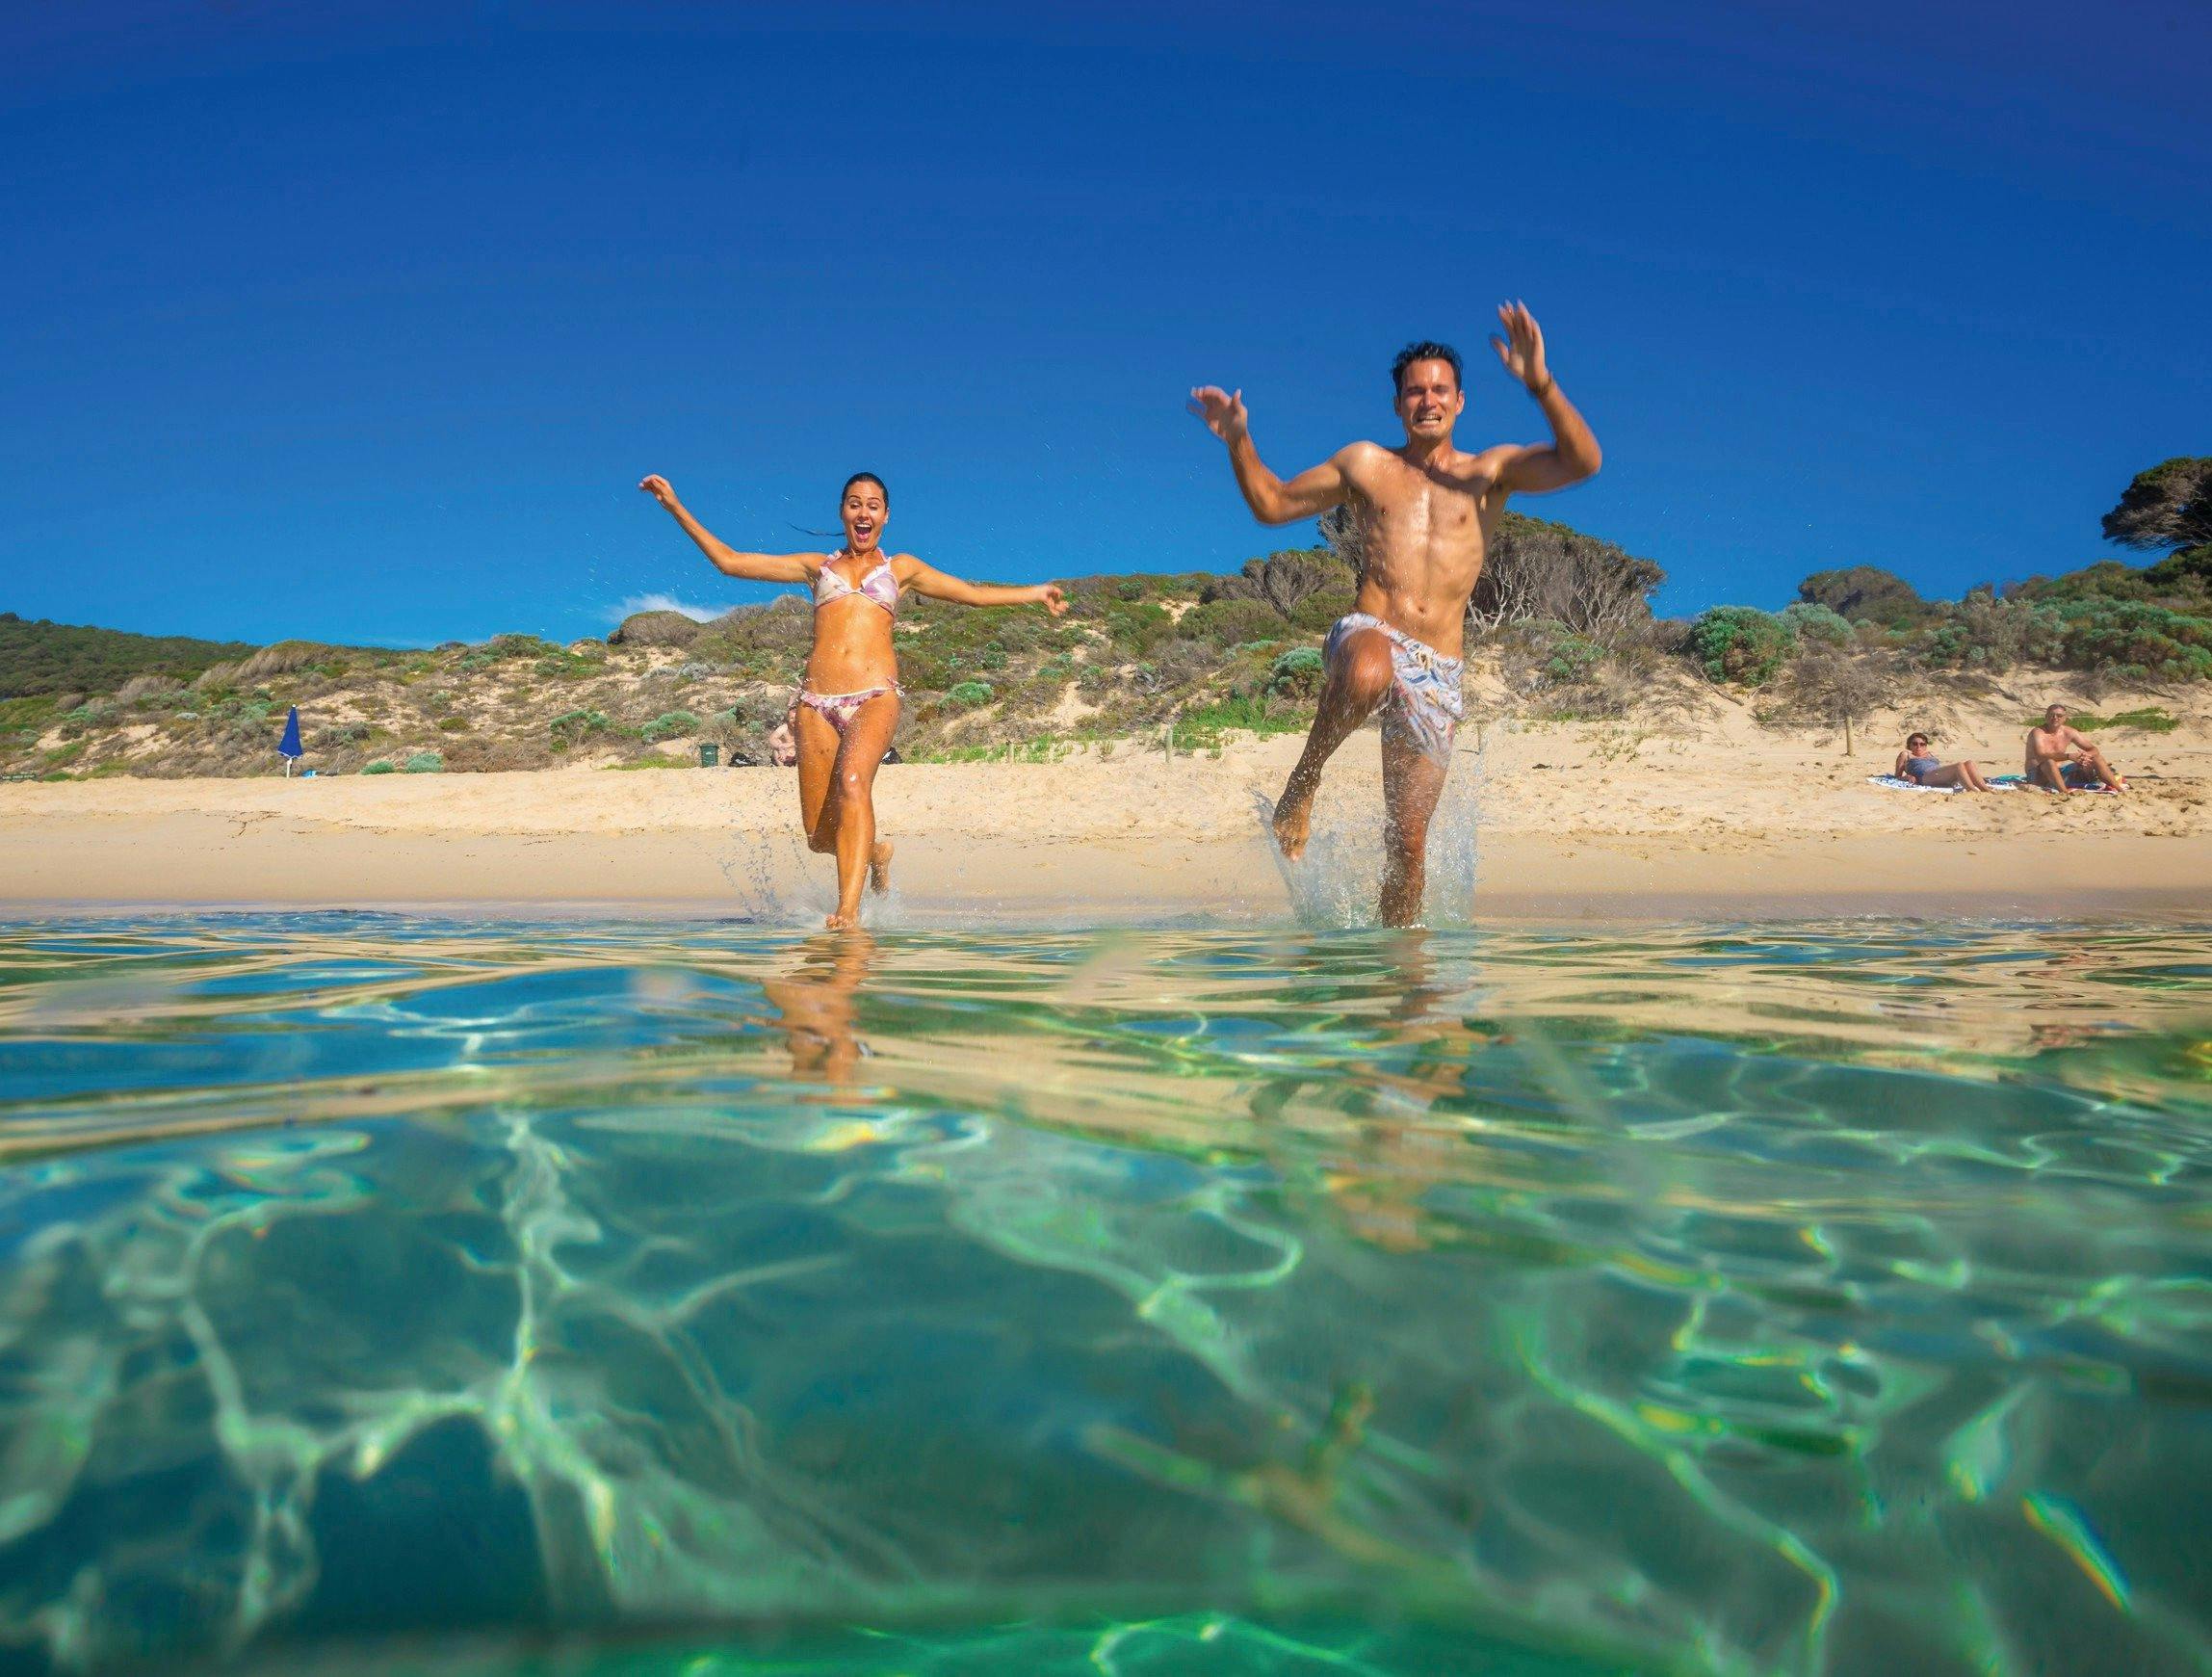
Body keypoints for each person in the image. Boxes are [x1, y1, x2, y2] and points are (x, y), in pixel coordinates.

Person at [1188, 302, 1601, 925]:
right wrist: (1238, 438)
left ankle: (1398, 981)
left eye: (1439, 390)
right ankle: (1303, 781)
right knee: (1367, 670)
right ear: (1397, 406)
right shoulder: (1366, 465)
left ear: (1460, 401)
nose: (1427, 400)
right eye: (1414, 391)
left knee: (1406, 847)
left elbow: (1582, 462)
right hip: (1370, 633)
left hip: (1439, 669)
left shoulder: (1488, 474)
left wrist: (1538, 382)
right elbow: (1271, 504)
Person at [639, 470, 1067, 926]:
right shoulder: (817, 567)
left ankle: (848, 911)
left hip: (875, 696)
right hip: (816, 704)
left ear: (885, 516)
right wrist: (674, 506)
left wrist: (1035, 593)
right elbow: (730, 561)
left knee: (853, 784)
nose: (863, 512)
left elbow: (972, 595)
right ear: (843, 512)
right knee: (821, 838)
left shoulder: (901, 569)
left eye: (873, 505)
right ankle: (877, 853)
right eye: (854, 503)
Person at [2025, 703, 2127, 792]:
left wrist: (2085, 756)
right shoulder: (2038, 732)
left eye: (2059, 715)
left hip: (2060, 771)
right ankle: (2064, 792)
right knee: (2049, 762)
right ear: (2046, 716)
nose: (2055, 718)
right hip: (2038, 775)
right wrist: (2069, 756)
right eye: (2052, 715)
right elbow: (2041, 756)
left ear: (2065, 718)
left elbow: (2093, 749)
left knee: (2096, 758)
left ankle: (2119, 789)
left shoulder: (2069, 732)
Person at [1895, 731, 1993, 791]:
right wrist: (1907, 777)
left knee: (1969, 763)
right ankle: (1972, 790)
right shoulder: (1906, 754)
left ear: (1926, 745)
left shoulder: (1930, 754)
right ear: (1910, 745)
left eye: (1922, 744)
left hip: (1937, 775)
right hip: (1924, 777)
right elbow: (1897, 776)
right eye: (1915, 743)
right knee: (1959, 765)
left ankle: (1985, 789)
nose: (1919, 746)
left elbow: (1940, 768)